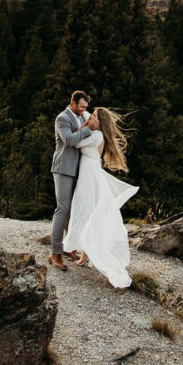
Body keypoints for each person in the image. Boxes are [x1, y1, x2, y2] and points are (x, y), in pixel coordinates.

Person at [62, 106, 138, 288]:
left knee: (85, 209)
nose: (91, 118)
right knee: (84, 208)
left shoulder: (95, 136)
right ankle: (83, 251)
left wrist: (83, 127)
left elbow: (77, 143)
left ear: (100, 120)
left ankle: (85, 252)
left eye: (95, 116)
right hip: (89, 171)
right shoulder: (97, 134)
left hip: (89, 173)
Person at [49, 90, 99, 270]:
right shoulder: (62, 118)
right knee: (62, 209)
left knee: (73, 210)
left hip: (77, 169)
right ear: (73, 103)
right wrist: (88, 128)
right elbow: (69, 140)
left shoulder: (79, 117)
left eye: (86, 107)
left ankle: (69, 246)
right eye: (82, 106)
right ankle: (55, 253)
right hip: (63, 168)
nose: (84, 109)